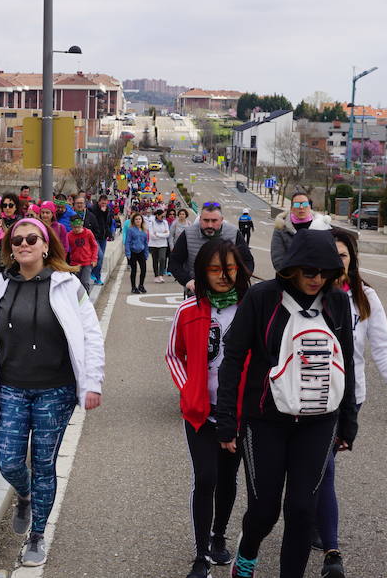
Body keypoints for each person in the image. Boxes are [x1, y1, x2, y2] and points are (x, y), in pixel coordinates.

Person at [215, 229, 358, 578]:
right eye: (310, 271)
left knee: (302, 510)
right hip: (265, 419)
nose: (317, 279)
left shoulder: (336, 302)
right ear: (292, 268)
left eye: (325, 272)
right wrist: (227, 419)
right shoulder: (263, 298)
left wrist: (348, 420)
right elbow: (233, 357)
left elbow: (348, 362)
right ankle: (247, 554)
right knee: (264, 511)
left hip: (319, 420)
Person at [0, 217, 104, 567]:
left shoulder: (68, 285)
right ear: (10, 248)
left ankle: (37, 535)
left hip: (55, 390)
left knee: (44, 463)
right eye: (17, 240)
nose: (23, 244)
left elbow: (91, 335)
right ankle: (24, 495)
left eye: (31, 239)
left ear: (46, 245)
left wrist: (93, 382)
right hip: (10, 387)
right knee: (9, 461)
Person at [314, 229, 387, 578]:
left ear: (352, 259)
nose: (337, 261)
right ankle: (331, 551)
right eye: (332, 254)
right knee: (320, 470)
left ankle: (323, 533)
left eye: (344, 256)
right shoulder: (306, 293)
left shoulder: (364, 296)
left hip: (347, 399)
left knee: (324, 467)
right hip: (306, 397)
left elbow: (383, 347)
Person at [166, 239, 251, 578]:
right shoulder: (188, 310)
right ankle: (201, 554)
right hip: (201, 411)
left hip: (240, 412)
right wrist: (188, 388)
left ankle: (219, 535)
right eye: (214, 270)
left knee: (228, 477)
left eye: (229, 270)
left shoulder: (251, 308)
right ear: (202, 272)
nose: (222, 276)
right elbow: (174, 354)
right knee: (205, 478)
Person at [168, 203, 254, 295]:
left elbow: (248, 261)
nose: (210, 225)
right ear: (200, 219)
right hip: (197, 292)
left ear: (221, 220)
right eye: (206, 220)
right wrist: (187, 281)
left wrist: (239, 280)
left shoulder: (234, 233)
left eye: (214, 221)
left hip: (228, 292)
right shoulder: (188, 234)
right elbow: (174, 262)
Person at [270, 192, 332, 271]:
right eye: (297, 205)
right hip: (290, 277)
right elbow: (278, 260)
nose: (301, 207)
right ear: (291, 208)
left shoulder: (321, 225)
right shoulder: (281, 228)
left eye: (305, 204)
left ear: (309, 206)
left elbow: (329, 254)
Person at [67, 216, 98, 292]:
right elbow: (65, 249)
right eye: (74, 227)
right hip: (74, 263)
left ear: (82, 225)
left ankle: (86, 300)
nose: (76, 229)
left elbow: (94, 246)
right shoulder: (69, 235)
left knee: (85, 282)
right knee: (75, 283)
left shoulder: (88, 233)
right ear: (71, 226)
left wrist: (94, 258)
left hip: (87, 262)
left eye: (78, 227)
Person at [90, 194, 114, 286]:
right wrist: (102, 212)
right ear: (99, 202)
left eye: (105, 203)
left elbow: (107, 223)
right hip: (95, 237)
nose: (104, 205)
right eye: (102, 203)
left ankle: (98, 278)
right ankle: (92, 272)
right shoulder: (93, 209)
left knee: (101, 258)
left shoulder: (108, 210)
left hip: (103, 237)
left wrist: (110, 234)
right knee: (98, 256)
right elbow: (96, 221)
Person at [124, 212, 149, 294]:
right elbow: (127, 242)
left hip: (141, 252)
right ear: (133, 221)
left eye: (139, 219)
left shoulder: (144, 230)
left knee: (144, 269)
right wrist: (128, 253)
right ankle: (133, 287)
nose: (138, 220)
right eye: (136, 219)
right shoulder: (130, 230)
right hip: (133, 252)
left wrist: (146, 253)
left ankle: (141, 285)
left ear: (142, 220)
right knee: (134, 270)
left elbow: (145, 243)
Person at [149, 209, 171, 283]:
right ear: (157, 215)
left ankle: (161, 275)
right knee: (155, 260)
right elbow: (152, 235)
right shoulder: (151, 222)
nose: (163, 217)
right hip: (153, 244)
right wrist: (162, 234)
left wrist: (158, 234)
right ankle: (156, 276)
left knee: (162, 259)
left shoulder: (165, 222)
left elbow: (167, 234)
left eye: (164, 216)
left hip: (163, 244)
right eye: (162, 216)